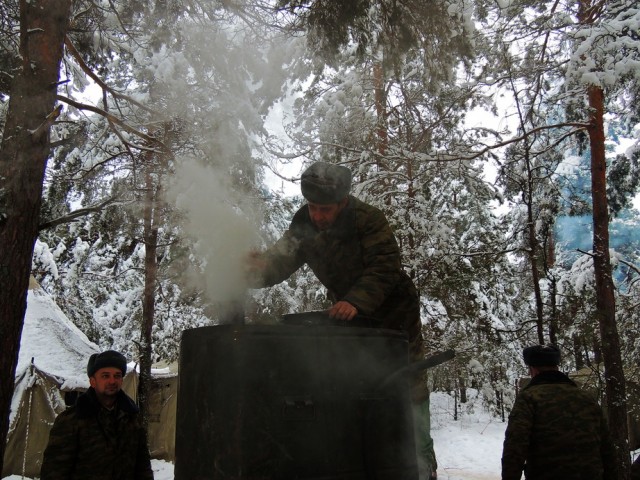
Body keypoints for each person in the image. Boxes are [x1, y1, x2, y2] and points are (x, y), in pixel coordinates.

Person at [246, 161, 437, 479]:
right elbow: (281, 260)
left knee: (408, 379)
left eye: (326, 209)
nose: (318, 216)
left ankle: (421, 458)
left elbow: (385, 266)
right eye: (313, 207)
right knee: (352, 382)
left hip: (394, 315)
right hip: (349, 318)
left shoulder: (368, 220)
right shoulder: (303, 223)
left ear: (343, 202)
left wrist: (356, 301)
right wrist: (254, 270)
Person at [501, 344, 617, 480]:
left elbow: (515, 447)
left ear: (533, 370)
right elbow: (607, 448)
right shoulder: (586, 398)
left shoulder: (529, 398)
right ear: (556, 367)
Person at [40, 350, 154, 480]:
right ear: (93, 381)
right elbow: (55, 472)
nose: (112, 381)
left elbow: (142, 467)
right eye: (105, 376)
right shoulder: (72, 420)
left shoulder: (132, 418)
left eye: (117, 376)